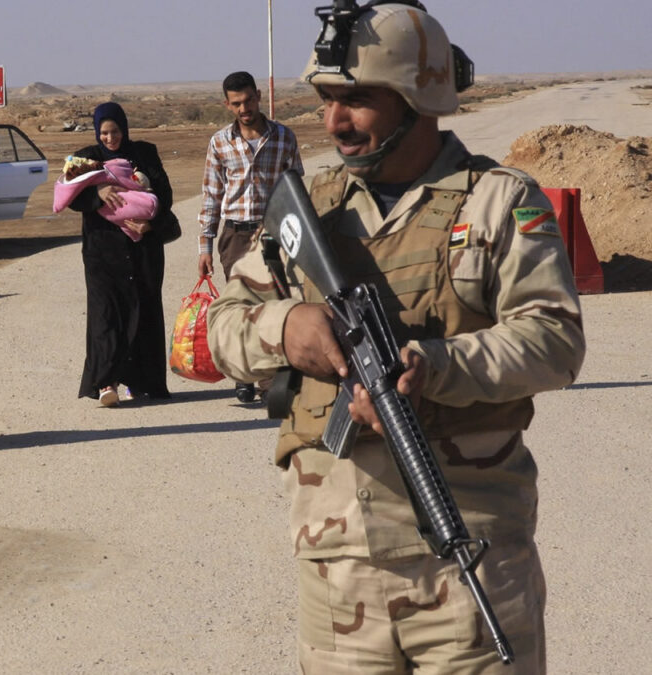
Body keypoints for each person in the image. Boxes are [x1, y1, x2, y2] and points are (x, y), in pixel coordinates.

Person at [206, 3, 585, 672]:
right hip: (338, 571)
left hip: (470, 560)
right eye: (327, 100)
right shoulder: (309, 210)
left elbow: (554, 337)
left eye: (358, 100)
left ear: (419, 97)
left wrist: (434, 365)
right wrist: (285, 326)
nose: (334, 121)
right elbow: (217, 324)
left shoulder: (496, 202)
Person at [197, 71, 304, 405]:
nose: (244, 108)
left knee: (277, 303)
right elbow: (211, 196)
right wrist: (205, 245)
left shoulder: (284, 138)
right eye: (236, 103)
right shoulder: (219, 143)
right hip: (236, 235)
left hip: (275, 233)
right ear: (227, 105)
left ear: (258, 96)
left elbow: (298, 187)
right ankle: (243, 378)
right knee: (241, 308)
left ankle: (272, 379)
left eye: (249, 100)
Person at [68, 102, 175, 407]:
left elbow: (164, 195)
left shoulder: (145, 153)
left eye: (115, 131)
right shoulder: (88, 157)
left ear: (124, 129)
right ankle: (105, 383)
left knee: (144, 309)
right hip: (103, 251)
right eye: (104, 132)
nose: (110, 138)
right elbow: (68, 193)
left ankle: (144, 381)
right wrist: (96, 193)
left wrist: (150, 223)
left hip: (142, 248)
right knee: (106, 314)